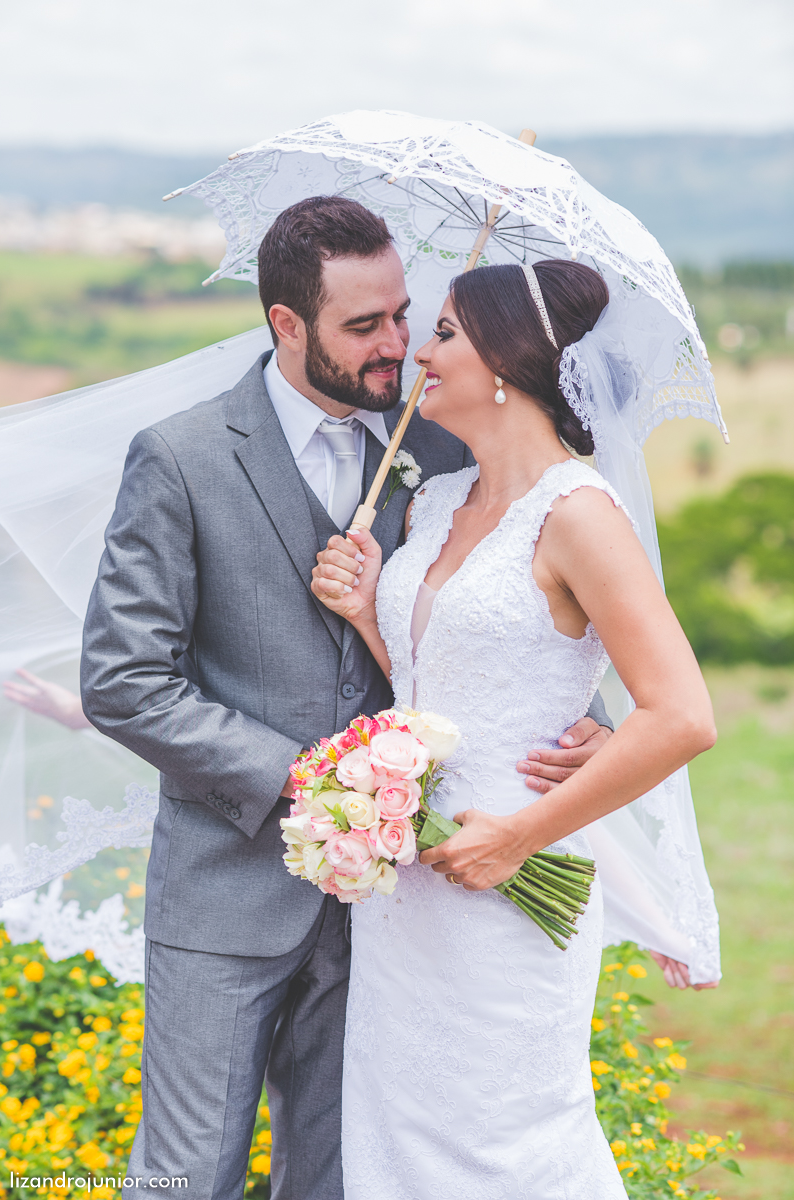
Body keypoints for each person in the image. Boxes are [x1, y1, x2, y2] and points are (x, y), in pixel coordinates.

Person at [79, 198, 613, 1200]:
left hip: (397, 918)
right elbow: (124, 680)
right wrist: (319, 786)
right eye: (364, 325)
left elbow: (516, 621)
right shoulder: (182, 458)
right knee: (185, 1177)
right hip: (226, 895)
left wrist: (591, 724)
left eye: (404, 315)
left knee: (340, 1176)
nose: (397, 346)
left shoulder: (445, 453)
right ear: (287, 324)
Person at [310, 258, 718, 1198]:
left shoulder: (579, 517)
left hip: (510, 885)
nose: (419, 353)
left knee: (506, 1148)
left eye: (444, 333)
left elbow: (682, 716)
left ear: (507, 359)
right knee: (398, 1142)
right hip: (408, 893)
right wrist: (369, 610)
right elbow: (436, 682)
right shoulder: (437, 501)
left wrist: (519, 836)